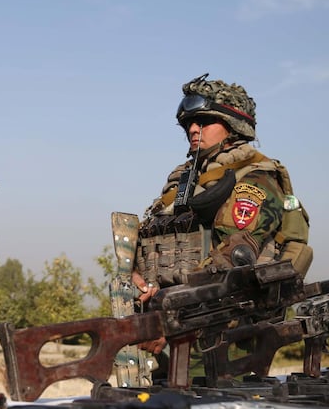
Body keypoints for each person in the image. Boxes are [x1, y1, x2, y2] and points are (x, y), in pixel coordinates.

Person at [131, 73, 312, 367]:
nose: (192, 129)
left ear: (233, 126)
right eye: (188, 123)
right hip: (165, 331)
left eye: (203, 121)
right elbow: (151, 242)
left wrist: (169, 315)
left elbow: (232, 259)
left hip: (221, 340)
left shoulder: (255, 179)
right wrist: (137, 278)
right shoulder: (183, 182)